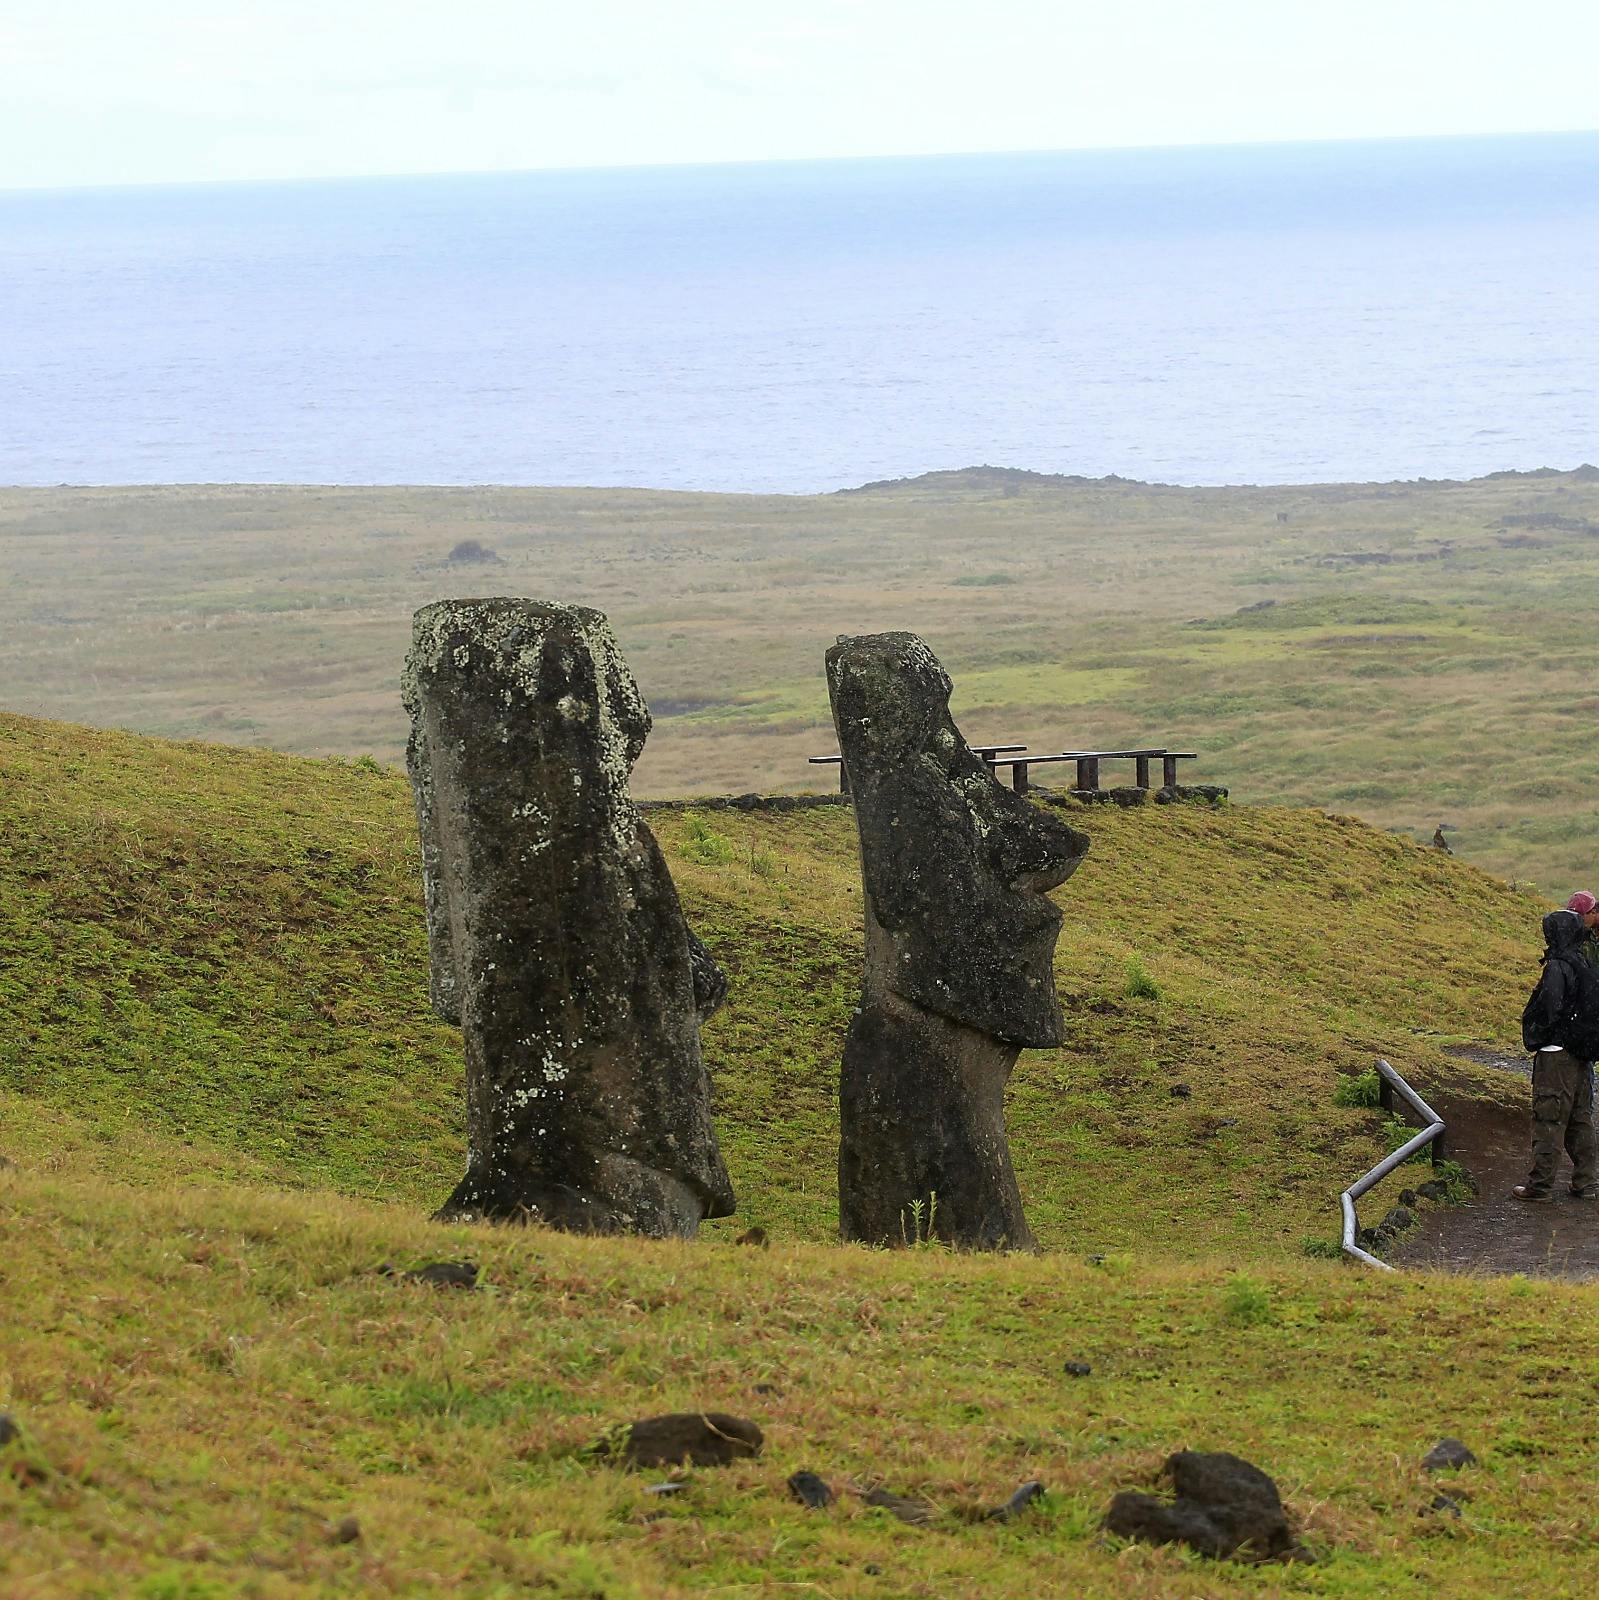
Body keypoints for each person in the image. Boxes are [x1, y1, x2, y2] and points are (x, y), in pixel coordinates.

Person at [1514, 897, 1599, 1201]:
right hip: (1581, 1054)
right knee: (1581, 1119)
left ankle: (1540, 1186)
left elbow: (1551, 1008)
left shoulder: (1559, 967)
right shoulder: (1586, 962)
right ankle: (1586, 1182)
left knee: (1549, 1118)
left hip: (1556, 1055)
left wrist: (1542, 1033)